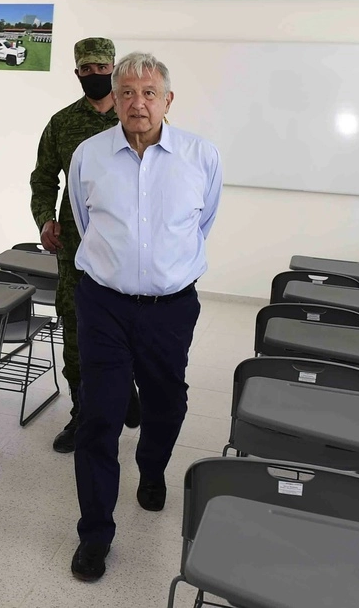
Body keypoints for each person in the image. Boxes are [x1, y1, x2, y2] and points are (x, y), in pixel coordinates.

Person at [66, 51, 222, 581]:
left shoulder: (201, 157)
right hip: (103, 304)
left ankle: (151, 468)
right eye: (127, 92)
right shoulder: (88, 155)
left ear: (168, 100)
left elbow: (201, 225)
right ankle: (94, 534)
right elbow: (85, 224)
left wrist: (159, 271)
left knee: (166, 403)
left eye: (149, 93)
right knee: (100, 416)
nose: (138, 103)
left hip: (170, 308)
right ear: (115, 100)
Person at [29, 37, 140, 454]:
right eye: (86, 70)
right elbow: (43, 179)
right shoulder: (62, 123)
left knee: (128, 326)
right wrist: (45, 219)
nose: (95, 76)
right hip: (77, 247)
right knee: (75, 329)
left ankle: (124, 386)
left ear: (115, 68)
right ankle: (82, 413)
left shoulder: (136, 117)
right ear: (77, 72)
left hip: (128, 246)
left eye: (102, 68)